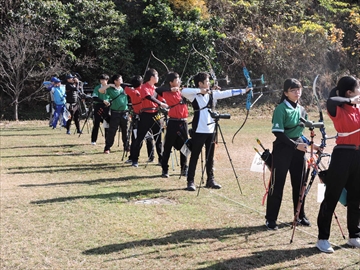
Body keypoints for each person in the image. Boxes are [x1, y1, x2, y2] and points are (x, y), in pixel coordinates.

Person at [265, 78, 320, 230]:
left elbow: (300, 133)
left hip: (298, 151)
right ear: (285, 93)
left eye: (299, 90)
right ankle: (271, 219)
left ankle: (300, 216)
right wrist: (296, 145)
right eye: (293, 90)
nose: (297, 93)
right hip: (283, 150)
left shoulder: (302, 110)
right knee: (277, 185)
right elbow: (278, 133)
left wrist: (311, 145)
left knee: (300, 184)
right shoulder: (281, 109)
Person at [181, 72, 250, 191]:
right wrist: (200, 91)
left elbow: (227, 93)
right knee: (195, 155)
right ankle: (191, 181)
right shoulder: (194, 95)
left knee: (210, 156)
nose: (209, 84)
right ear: (200, 83)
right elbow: (183, 91)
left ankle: (210, 180)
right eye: (207, 81)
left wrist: (244, 91)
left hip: (211, 129)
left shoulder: (212, 94)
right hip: (199, 130)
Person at [316, 76, 360, 253]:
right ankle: (323, 239)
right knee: (332, 195)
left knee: (356, 197)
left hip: (358, 155)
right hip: (343, 154)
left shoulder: (358, 109)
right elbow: (331, 100)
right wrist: (350, 100)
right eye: (358, 88)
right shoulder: (338, 109)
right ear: (349, 92)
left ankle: (354, 235)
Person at [130, 69, 168, 167]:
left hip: (156, 114)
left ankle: (161, 159)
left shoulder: (156, 88)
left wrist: (165, 102)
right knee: (140, 138)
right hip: (146, 114)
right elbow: (148, 97)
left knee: (158, 138)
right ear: (152, 77)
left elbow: (161, 98)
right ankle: (134, 160)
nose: (158, 78)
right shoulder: (144, 87)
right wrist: (160, 103)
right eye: (157, 76)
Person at [156, 72, 189, 178]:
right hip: (173, 122)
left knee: (185, 146)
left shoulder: (182, 91)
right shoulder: (167, 92)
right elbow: (157, 90)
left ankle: (184, 169)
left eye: (179, 79)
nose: (179, 81)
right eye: (176, 80)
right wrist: (171, 89)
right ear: (171, 83)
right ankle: (165, 170)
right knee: (168, 146)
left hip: (183, 121)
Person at [124, 75, 154, 163]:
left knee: (136, 138)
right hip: (146, 115)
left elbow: (123, 85)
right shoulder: (144, 90)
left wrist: (132, 85)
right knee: (149, 136)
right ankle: (151, 156)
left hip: (137, 116)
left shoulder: (131, 91)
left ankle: (132, 157)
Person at [99, 74, 128, 154]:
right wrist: (108, 85)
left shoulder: (124, 88)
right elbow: (101, 90)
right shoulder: (111, 89)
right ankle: (107, 147)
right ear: (115, 81)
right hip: (115, 113)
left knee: (125, 131)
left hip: (124, 112)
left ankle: (126, 146)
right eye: (120, 79)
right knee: (112, 131)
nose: (121, 81)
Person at [91, 74, 110, 145]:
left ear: (107, 80)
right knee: (96, 123)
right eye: (101, 80)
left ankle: (107, 140)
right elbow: (94, 97)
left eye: (104, 80)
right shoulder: (97, 87)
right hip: (98, 106)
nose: (102, 81)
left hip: (107, 107)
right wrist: (103, 101)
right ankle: (93, 140)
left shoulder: (109, 88)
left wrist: (109, 102)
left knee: (107, 123)